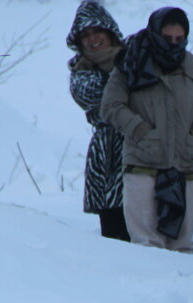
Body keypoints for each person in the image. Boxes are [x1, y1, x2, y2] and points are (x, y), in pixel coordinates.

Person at [101, 7, 193, 252]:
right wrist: (139, 130)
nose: (173, 44)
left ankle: (187, 291)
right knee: (146, 246)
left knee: (183, 245)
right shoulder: (131, 63)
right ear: (154, 34)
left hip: (187, 166)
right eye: (167, 38)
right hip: (143, 165)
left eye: (179, 39)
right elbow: (110, 105)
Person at [66, 2, 128, 241]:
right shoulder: (80, 74)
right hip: (107, 158)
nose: (93, 39)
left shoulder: (136, 56)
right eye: (85, 35)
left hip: (143, 150)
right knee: (114, 231)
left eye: (97, 31)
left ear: (109, 31)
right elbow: (100, 97)